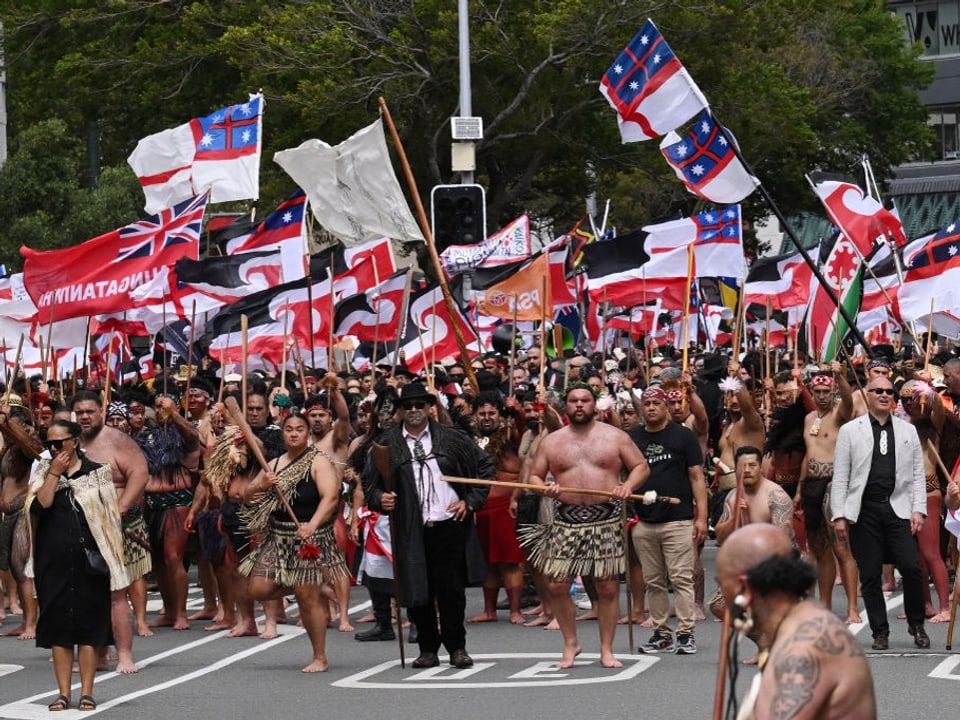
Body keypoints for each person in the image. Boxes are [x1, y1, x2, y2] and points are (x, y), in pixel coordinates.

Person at [365, 382, 493, 670]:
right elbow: (369, 484)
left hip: (449, 524)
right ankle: (427, 649)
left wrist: (470, 501)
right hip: (411, 526)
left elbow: (485, 467)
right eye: (407, 406)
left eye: (419, 405)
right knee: (416, 589)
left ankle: (457, 647)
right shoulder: (386, 443)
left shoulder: (451, 438)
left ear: (429, 407)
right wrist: (379, 499)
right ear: (400, 410)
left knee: (450, 591)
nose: (413, 410)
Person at [522, 383, 650, 669]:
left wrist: (627, 486)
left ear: (594, 405)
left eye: (585, 400)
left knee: (606, 587)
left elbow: (641, 466)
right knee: (557, 585)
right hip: (565, 519)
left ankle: (606, 649)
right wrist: (544, 488)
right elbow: (533, 476)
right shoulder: (552, 441)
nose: (579, 405)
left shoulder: (614, 436)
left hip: (605, 517)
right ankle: (571, 644)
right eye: (574, 401)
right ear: (566, 405)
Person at [715, 524, 876, 720]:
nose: (721, 596)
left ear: (745, 588)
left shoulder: (801, 650)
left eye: (721, 584)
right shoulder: (799, 624)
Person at [27, 420, 128, 712]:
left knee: (89, 626)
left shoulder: (97, 472)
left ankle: (86, 691)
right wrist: (54, 473)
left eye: (59, 443)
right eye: (49, 444)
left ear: (75, 441)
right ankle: (62, 693)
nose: (54, 449)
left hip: (89, 562)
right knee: (59, 628)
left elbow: (108, 519)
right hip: (53, 562)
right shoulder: (44, 474)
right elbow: (41, 505)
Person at [239, 409, 349, 672]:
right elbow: (247, 497)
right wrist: (261, 485)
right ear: (283, 432)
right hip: (279, 536)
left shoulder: (318, 461)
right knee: (257, 590)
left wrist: (313, 524)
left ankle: (319, 656)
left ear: (307, 432)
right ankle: (313, 587)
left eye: (300, 429)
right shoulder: (274, 464)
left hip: (309, 537)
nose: (294, 433)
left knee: (306, 600)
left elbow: (331, 497)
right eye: (289, 429)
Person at [830, 376, 930, 650]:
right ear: (867, 394)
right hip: (864, 510)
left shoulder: (907, 430)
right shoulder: (851, 430)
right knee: (870, 574)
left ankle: (916, 622)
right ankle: (879, 631)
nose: (885, 395)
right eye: (878, 391)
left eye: (889, 391)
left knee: (911, 567)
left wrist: (918, 509)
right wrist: (839, 514)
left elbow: (917, 475)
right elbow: (841, 476)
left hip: (899, 508)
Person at [71, 390, 149, 672]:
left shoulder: (118, 441)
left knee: (117, 593)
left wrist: (122, 507)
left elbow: (140, 473)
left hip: (113, 526)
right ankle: (97, 653)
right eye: (79, 412)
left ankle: (125, 654)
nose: (84, 416)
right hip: (78, 528)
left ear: (100, 411)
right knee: (84, 593)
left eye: (89, 411)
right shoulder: (69, 442)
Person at [630, 386, 708, 656]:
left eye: (656, 403)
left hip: (678, 519)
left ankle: (686, 633)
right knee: (654, 580)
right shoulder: (633, 438)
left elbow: (697, 478)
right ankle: (662, 634)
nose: (651, 407)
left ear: (666, 407)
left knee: (681, 578)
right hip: (644, 520)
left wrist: (702, 518)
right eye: (647, 403)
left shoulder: (683, 436)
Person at [798, 366, 860, 623]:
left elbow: (847, 400)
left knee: (841, 547)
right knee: (819, 548)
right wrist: (800, 489)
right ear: (812, 392)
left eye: (826, 391)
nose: (822, 396)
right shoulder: (809, 418)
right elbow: (808, 454)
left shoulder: (838, 414)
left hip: (833, 484)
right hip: (811, 484)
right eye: (817, 391)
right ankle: (824, 606)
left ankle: (853, 610)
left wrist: (840, 376)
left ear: (832, 390)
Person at [467, 391, 526, 625]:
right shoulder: (470, 439)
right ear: (475, 415)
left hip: (504, 507)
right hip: (480, 507)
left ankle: (514, 610)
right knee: (487, 561)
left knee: (509, 561)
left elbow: (524, 428)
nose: (487, 417)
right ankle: (489, 610)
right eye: (482, 413)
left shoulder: (510, 434)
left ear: (500, 415)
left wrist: (518, 410)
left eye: (492, 413)